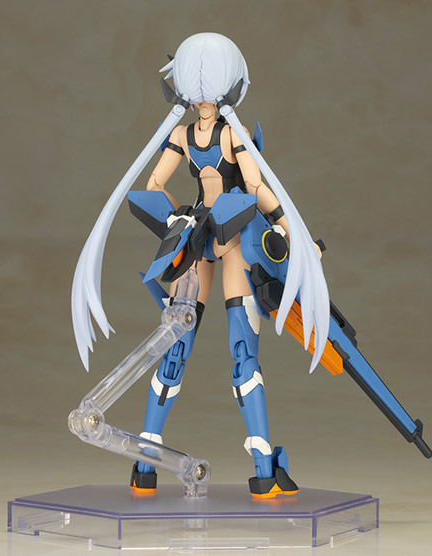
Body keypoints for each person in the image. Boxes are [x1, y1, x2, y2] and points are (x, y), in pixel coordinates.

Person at [71, 32, 330, 499]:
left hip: (235, 239)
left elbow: (258, 189)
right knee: (173, 342)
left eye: (211, 90)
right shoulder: (181, 135)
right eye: (198, 91)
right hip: (199, 238)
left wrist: (294, 233)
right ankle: (146, 460)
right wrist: (178, 220)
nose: (205, 101)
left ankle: (261, 467)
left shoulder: (233, 134)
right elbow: (153, 184)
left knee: (242, 351)